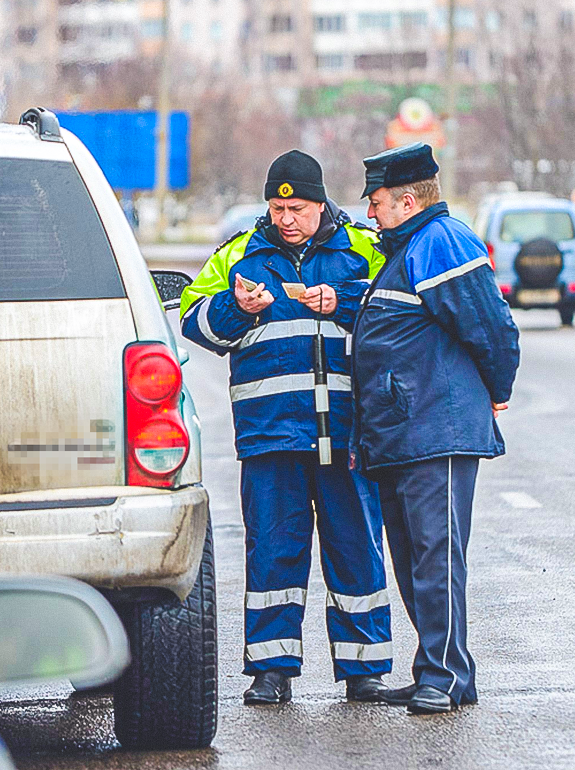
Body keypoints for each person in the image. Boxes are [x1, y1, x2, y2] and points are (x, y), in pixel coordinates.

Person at [180, 150, 393, 705]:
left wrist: (343, 300)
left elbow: (397, 308)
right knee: (274, 551)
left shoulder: (364, 249)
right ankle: (272, 669)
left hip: (347, 432)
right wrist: (238, 306)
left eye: (296, 207)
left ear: (321, 204)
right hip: (271, 432)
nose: (286, 218)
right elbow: (192, 318)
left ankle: (363, 669)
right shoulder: (239, 255)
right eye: (277, 207)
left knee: (356, 548)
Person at [350, 143, 521, 714]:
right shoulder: (405, 248)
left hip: (436, 432)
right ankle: (443, 671)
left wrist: (497, 392)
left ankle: (444, 674)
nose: (369, 213)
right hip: (403, 433)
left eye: (375, 202)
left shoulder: (442, 242)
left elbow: (492, 328)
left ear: (405, 198)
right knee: (414, 560)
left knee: (436, 557)